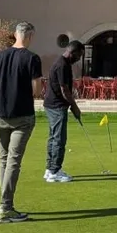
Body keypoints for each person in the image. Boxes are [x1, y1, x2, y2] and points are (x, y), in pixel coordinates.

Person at [0, 22, 43, 223]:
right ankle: (6, 206)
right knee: (13, 161)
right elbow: (37, 91)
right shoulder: (32, 58)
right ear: (29, 36)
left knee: (4, 159)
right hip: (23, 116)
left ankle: (4, 204)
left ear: (15, 35)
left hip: (1, 115)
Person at [43, 41, 84, 183]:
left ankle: (49, 169)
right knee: (59, 138)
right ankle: (55, 171)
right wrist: (75, 107)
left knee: (53, 137)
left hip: (51, 104)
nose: (79, 58)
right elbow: (64, 90)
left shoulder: (62, 63)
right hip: (57, 105)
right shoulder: (62, 66)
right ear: (73, 52)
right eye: (79, 55)